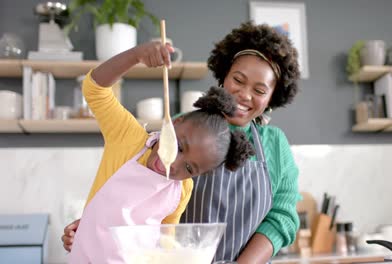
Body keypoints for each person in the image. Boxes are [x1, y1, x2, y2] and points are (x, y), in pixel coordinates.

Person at [62, 21, 301, 263]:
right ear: (224, 76)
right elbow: (142, 206)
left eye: (260, 90)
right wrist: (97, 229)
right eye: (238, 80)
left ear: (272, 97)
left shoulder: (275, 144)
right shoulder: (176, 128)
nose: (245, 94)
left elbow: (283, 216)